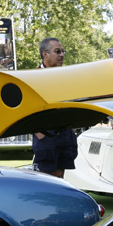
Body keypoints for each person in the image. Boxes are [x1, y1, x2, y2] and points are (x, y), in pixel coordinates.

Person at [31, 37, 77, 179]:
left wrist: (72, 129)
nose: (62, 55)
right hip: (46, 135)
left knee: (60, 178)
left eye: (63, 51)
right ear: (45, 54)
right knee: (47, 181)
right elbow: (27, 110)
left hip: (66, 134)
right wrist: (41, 136)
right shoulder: (32, 78)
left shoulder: (67, 77)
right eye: (57, 51)